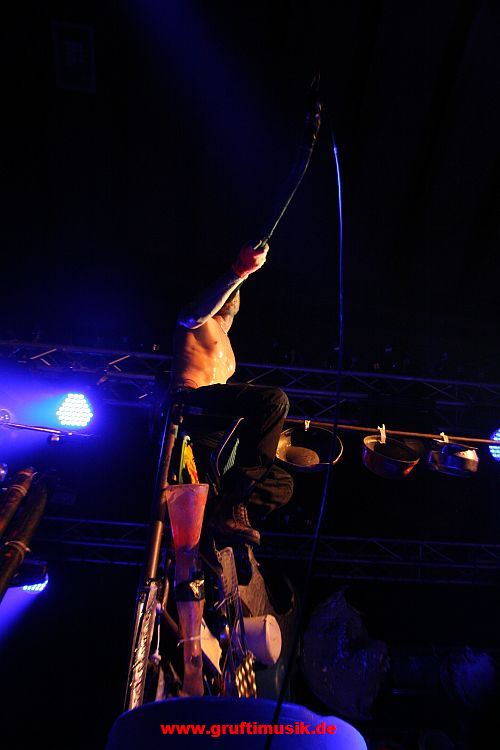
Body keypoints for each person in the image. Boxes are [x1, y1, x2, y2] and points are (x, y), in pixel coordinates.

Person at [169, 241, 293, 545]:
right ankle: (232, 503)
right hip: (190, 405)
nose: (237, 294)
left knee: (281, 482)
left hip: (217, 429)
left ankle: (225, 507)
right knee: (274, 400)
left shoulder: (226, 343)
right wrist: (239, 271)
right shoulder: (197, 321)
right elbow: (193, 314)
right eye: (234, 289)